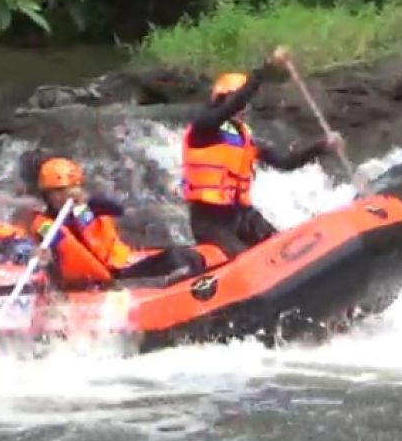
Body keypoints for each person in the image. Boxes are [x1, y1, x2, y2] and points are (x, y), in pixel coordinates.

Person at [181, 46, 344, 257]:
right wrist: (266, 69)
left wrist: (321, 146)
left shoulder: (245, 140)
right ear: (223, 100)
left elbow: (286, 163)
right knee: (244, 265)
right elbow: (234, 103)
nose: (244, 108)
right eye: (237, 102)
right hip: (210, 223)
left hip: (241, 216)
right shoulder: (203, 128)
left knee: (282, 251)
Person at [29, 157, 206, 288]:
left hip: (119, 271)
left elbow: (117, 208)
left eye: (65, 190)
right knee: (177, 259)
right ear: (47, 196)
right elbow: (50, 243)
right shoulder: (45, 224)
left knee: (182, 256)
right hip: (92, 283)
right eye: (55, 192)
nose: (61, 197)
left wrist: (87, 201)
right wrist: (42, 257)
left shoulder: (90, 206)